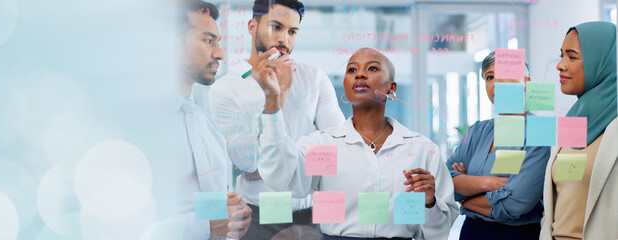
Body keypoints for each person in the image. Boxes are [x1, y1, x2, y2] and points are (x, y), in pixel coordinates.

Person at [252, 47, 458, 239]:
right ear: (345, 85)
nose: (359, 74)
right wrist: (272, 101)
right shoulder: (325, 147)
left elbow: (438, 234)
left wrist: (430, 204)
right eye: (352, 70)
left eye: (372, 68)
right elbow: (283, 177)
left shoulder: (420, 150)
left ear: (391, 87)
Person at [208, 0, 345, 238]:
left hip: (315, 213)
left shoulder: (314, 78)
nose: (284, 39)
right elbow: (248, 163)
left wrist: (277, 165)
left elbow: (339, 149)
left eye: (292, 31)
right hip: (260, 216)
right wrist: (274, 98)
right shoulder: (225, 89)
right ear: (252, 26)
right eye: (276, 27)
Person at [445, 52, 550, 240]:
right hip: (471, 232)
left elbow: (516, 203)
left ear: (526, 82)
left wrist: (465, 195)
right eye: (490, 77)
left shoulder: (540, 132)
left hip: (516, 235)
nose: (496, 83)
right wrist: (489, 183)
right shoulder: (478, 131)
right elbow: (444, 181)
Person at [170, 1, 252, 238]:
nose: (220, 53)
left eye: (218, 42)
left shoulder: (206, 125)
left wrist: (233, 212)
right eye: (208, 40)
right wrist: (207, 225)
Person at [540, 21, 618, 240]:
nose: (560, 65)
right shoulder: (572, 121)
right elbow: (558, 200)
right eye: (561, 55)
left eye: (572, 57)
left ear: (601, 63)